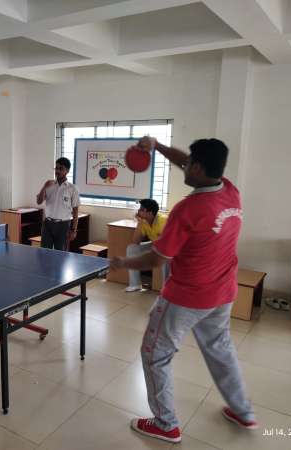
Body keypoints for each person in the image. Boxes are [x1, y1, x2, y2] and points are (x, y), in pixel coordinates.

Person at [111, 137, 256, 444]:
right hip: (223, 293)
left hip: (186, 297)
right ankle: (243, 411)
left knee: (154, 355)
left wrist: (123, 261)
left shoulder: (187, 209)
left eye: (190, 162)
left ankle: (166, 424)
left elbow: (158, 258)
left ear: (199, 167)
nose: (184, 165)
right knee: (221, 351)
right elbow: (187, 164)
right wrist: (157, 147)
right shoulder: (230, 191)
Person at [36, 157, 80, 251]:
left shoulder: (72, 188)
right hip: (47, 224)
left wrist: (74, 230)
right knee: (44, 253)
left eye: (61, 168)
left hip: (63, 225)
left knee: (61, 255)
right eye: (56, 168)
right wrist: (44, 186)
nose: (58, 171)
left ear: (67, 171)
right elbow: (39, 201)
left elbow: (75, 211)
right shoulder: (49, 185)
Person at [124, 198, 168, 292]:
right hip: (155, 245)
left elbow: (168, 241)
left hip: (168, 247)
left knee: (164, 256)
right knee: (131, 249)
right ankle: (135, 284)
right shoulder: (144, 221)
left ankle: (167, 289)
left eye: (141, 210)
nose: (138, 212)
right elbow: (135, 242)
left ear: (150, 212)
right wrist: (139, 223)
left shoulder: (163, 221)